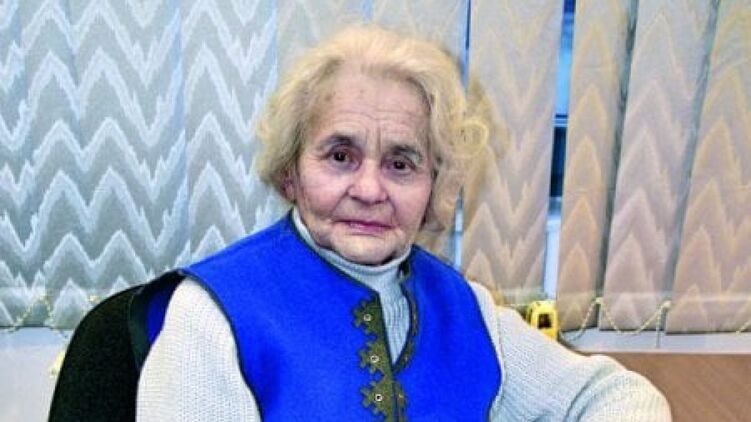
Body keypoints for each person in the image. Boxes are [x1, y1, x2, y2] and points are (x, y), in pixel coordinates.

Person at [136, 25, 671, 421]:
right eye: (340, 156)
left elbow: (614, 396)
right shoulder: (211, 316)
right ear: (289, 173)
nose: (370, 190)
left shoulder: (463, 306)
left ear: (434, 186)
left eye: (401, 163)